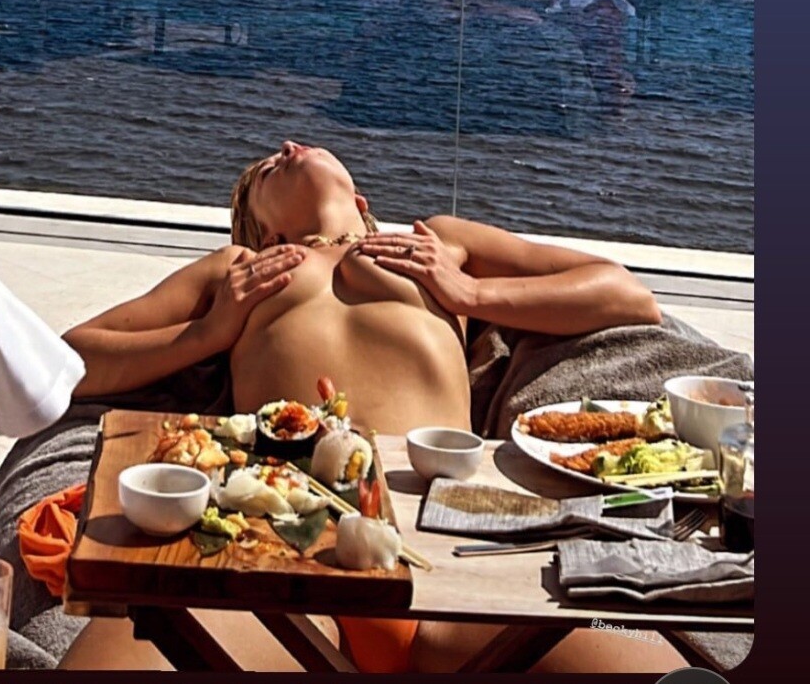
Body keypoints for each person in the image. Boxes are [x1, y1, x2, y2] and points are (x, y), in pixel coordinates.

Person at [60, 140, 679, 673]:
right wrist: (207, 334)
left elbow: (628, 296)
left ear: (361, 201)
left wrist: (471, 292)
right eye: (269, 170)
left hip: (455, 548)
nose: (288, 146)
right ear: (266, 232)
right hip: (283, 558)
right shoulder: (241, 270)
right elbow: (68, 360)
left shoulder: (437, 243)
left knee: (667, 669)